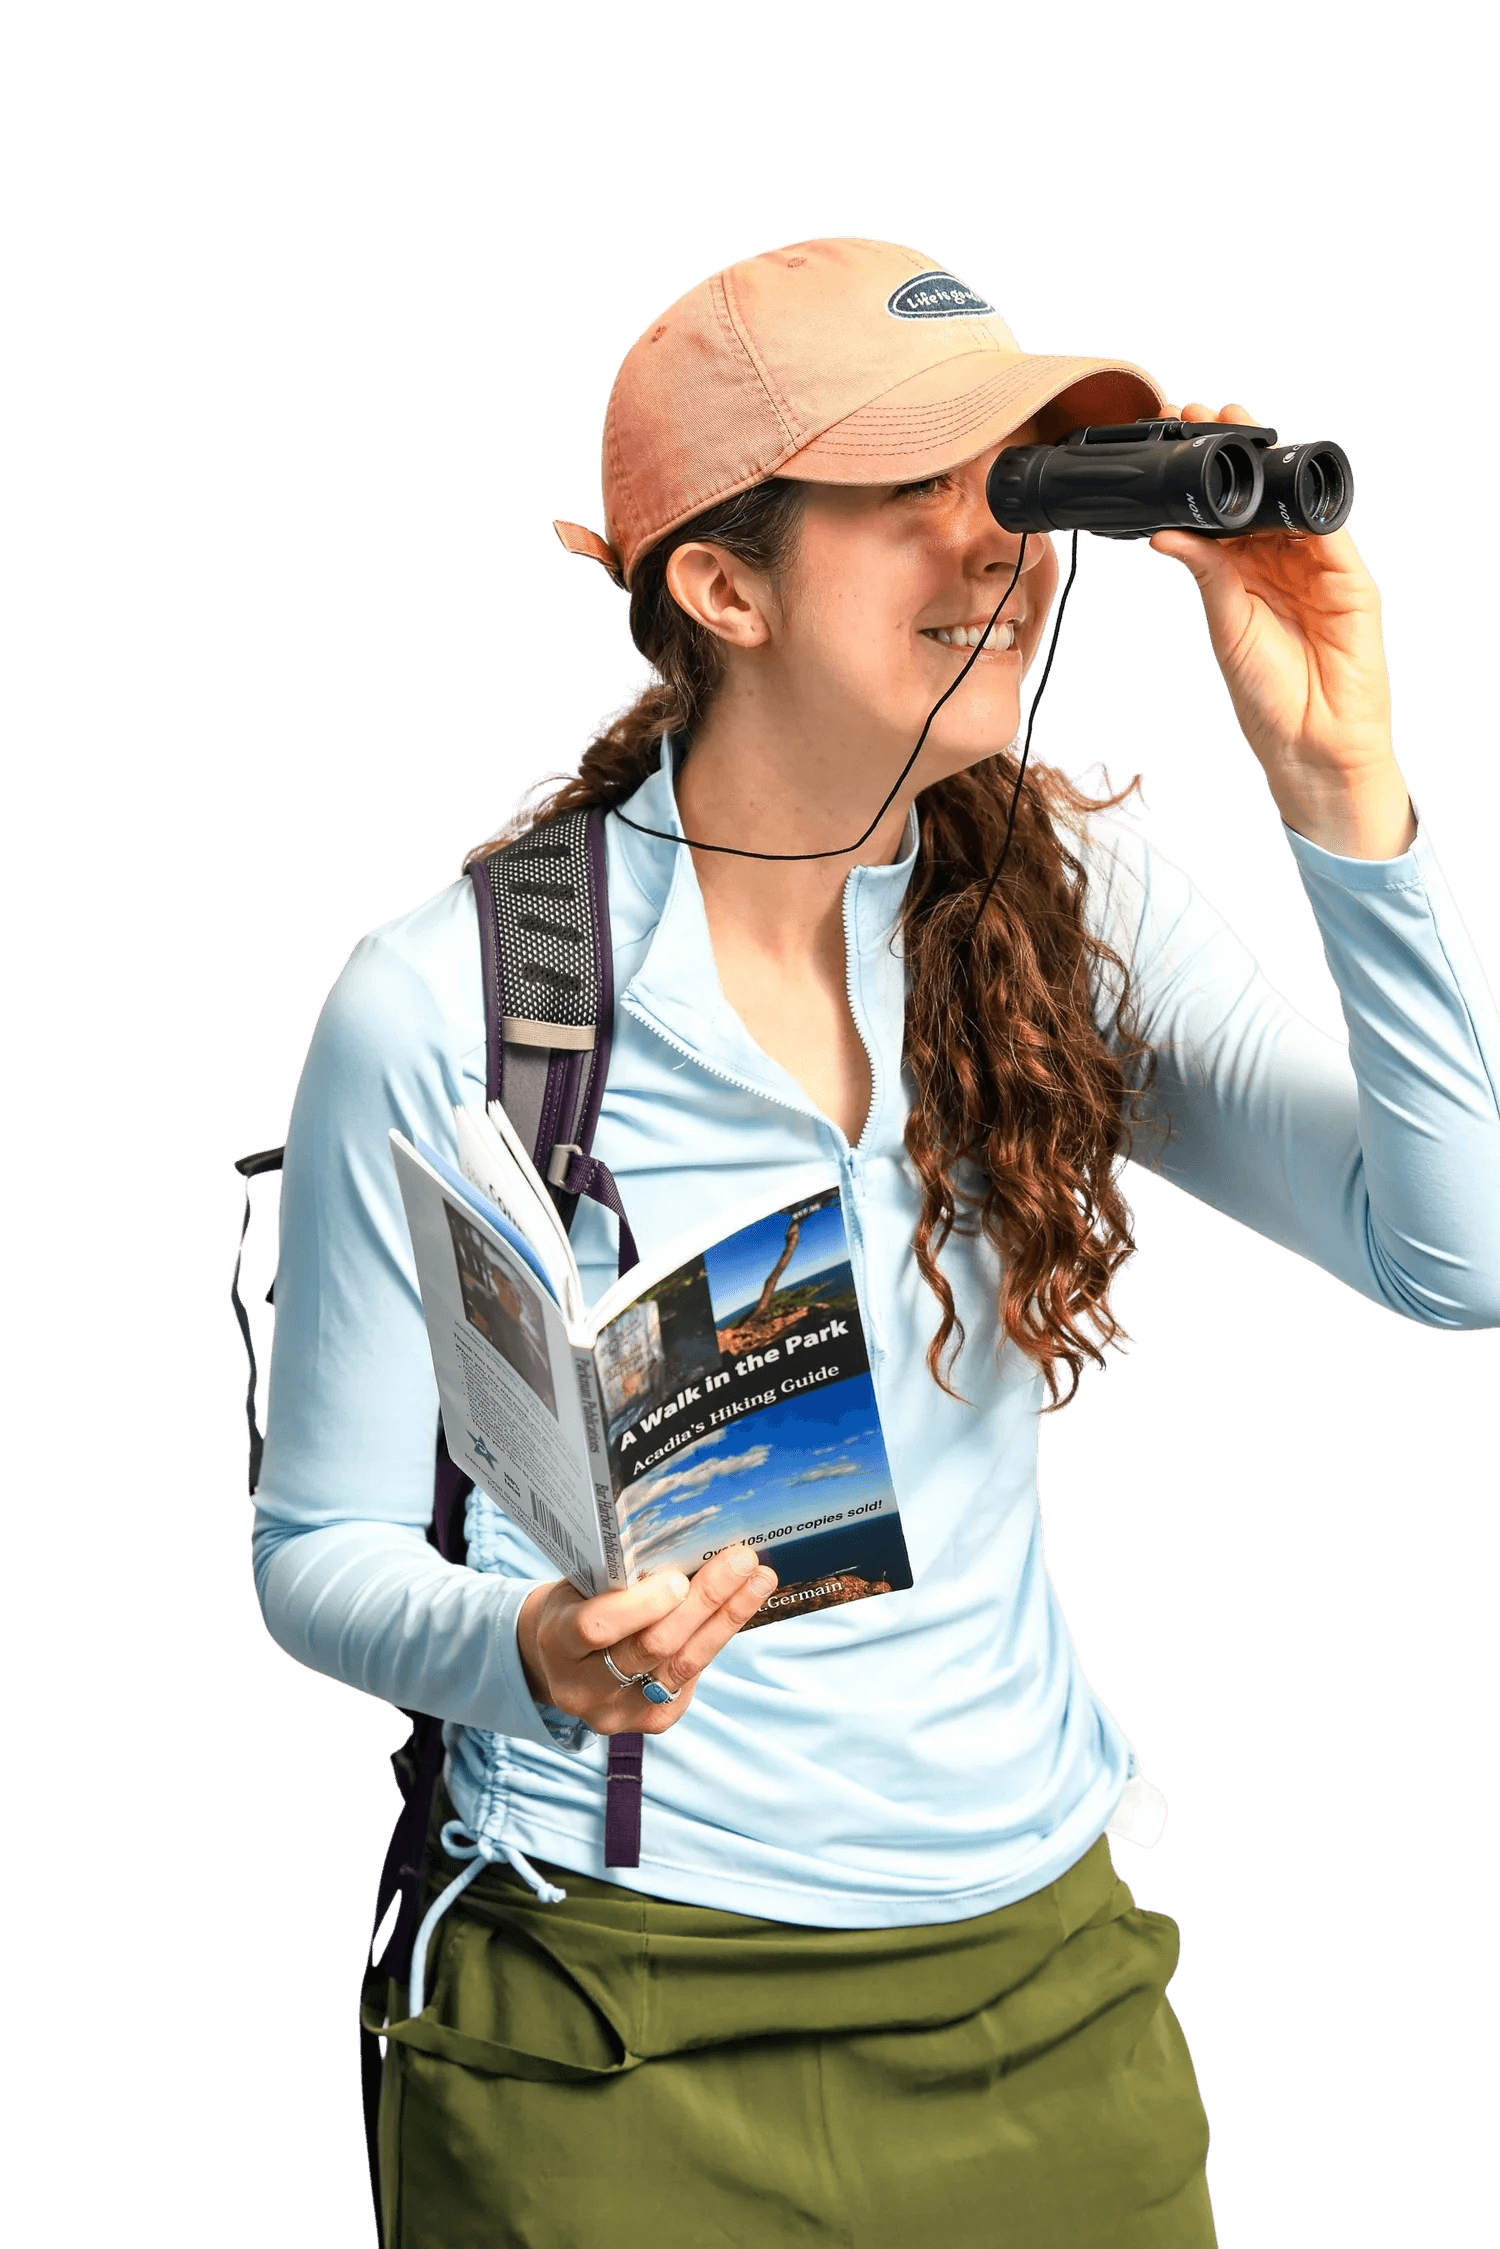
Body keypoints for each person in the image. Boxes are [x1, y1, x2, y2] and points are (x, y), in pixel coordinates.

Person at [251, 239, 1500, 2246]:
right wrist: (538, 1650)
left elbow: (1453, 1250)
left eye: (1016, 473)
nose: (1002, 536)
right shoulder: (461, 1002)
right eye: (914, 486)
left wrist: (1340, 777)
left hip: (1045, 1991)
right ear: (722, 585)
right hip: (615, 2024)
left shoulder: (1074, 901)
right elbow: (313, 1555)